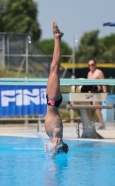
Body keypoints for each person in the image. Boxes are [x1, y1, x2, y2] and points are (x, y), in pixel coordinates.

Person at [45, 20, 68, 158]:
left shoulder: (54, 139)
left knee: (53, 69)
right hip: (53, 101)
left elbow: (50, 146)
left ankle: (57, 38)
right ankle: (57, 38)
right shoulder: (57, 137)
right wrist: (52, 156)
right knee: (54, 68)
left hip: (52, 102)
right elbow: (53, 148)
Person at [87, 59, 107, 129]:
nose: (91, 66)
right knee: (89, 107)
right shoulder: (89, 73)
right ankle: (88, 122)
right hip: (90, 93)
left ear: (95, 65)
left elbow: (103, 83)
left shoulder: (99, 72)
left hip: (97, 93)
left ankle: (102, 123)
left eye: (92, 65)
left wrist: (105, 93)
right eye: (89, 65)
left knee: (96, 107)